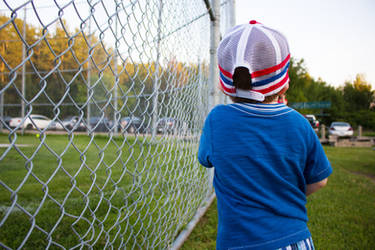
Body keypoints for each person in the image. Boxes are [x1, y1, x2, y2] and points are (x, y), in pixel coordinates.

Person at [198, 20, 332, 250]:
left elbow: (206, 159)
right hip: (294, 240)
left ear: (224, 85)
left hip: (237, 243)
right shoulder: (299, 124)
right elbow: (320, 180)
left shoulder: (217, 120)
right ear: (284, 85)